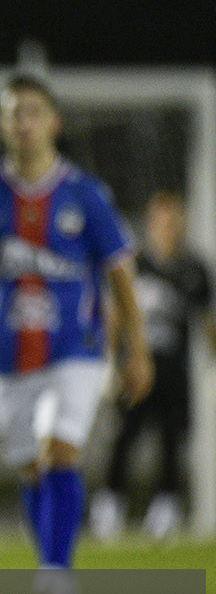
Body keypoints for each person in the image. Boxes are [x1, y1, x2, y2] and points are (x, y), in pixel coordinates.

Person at [0, 74, 153, 594]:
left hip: (76, 349)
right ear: (1, 123)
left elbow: (122, 278)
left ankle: (56, 575)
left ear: (54, 121)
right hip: (8, 355)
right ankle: (51, 565)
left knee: (63, 450)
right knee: (30, 466)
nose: (25, 122)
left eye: (34, 111)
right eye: (15, 112)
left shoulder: (87, 194)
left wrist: (136, 352)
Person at [90, 190, 216, 540]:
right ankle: (110, 507)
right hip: (136, 370)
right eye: (162, 222)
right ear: (151, 224)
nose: (168, 229)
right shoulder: (134, 265)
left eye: (174, 222)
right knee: (123, 438)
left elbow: (208, 323)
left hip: (175, 371)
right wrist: (110, 362)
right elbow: (114, 317)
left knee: (171, 441)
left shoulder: (195, 270)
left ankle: (165, 510)